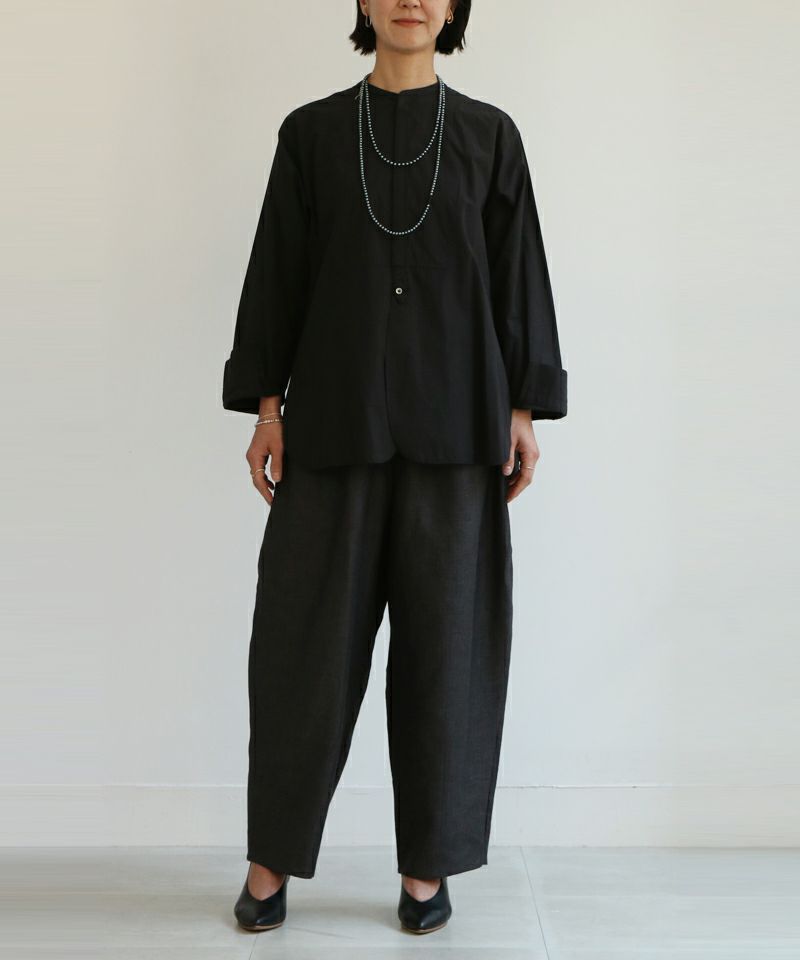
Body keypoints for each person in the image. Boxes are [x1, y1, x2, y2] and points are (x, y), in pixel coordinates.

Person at [223, 0, 568, 935]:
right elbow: (277, 272)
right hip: (331, 432)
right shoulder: (310, 135)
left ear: (454, 8)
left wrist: (524, 411)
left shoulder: (492, 138)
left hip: (456, 433)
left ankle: (427, 868)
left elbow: (518, 278)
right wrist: (266, 407)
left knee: (447, 659)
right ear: (364, 4)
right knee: (300, 655)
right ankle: (269, 863)